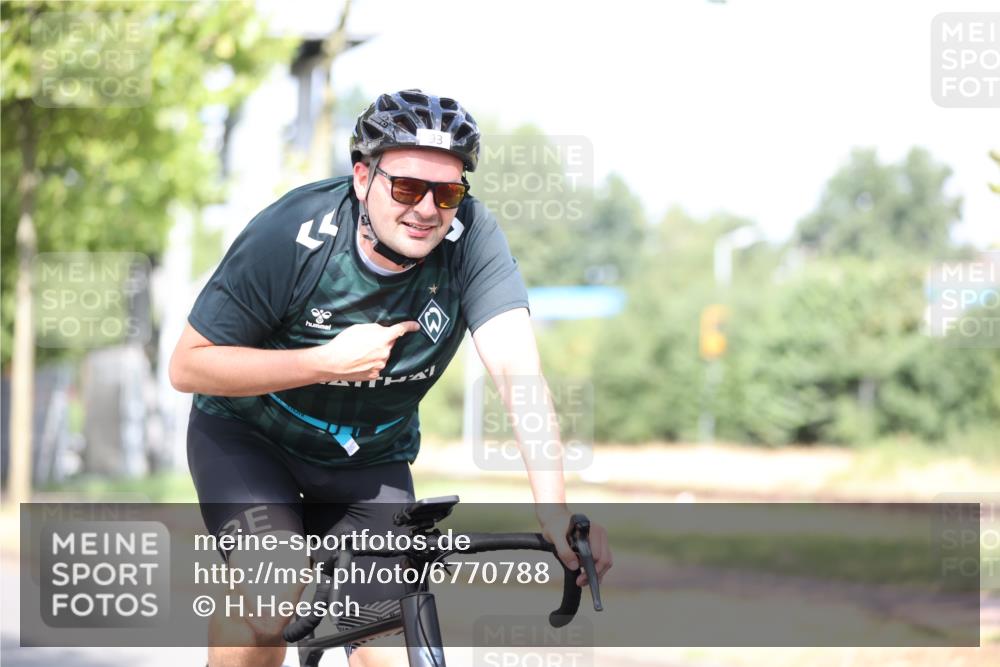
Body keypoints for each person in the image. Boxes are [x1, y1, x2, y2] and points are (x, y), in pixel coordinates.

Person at [169, 89, 612, 667]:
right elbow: (188, 365)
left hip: (368, 460)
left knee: (386, 639)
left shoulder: (471, 240)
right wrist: (321, 362)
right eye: (406, 187)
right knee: (270, 603)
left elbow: (517, 373)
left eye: (447, 192)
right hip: (252, 440)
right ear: (362, 177)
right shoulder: (290, 234)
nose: (427, 209)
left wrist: (554, 511)